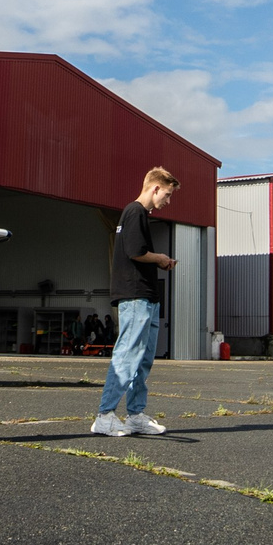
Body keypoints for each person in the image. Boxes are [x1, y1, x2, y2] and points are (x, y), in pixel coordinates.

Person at [93, 167, 176, 437]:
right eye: (167, 194)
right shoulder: (135, 211)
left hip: (147, 297)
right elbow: (136, 251)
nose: (168, 201)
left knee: (143, 359)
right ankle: (105, 416)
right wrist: (161, 258)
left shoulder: (138, 214)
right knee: (128, 355)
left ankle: (135, 415)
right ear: (154, 188)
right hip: (135, 296)